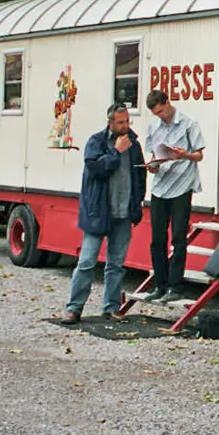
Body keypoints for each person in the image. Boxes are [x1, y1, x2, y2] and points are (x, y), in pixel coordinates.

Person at [60, 103, 146, 325]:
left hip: (123, 212)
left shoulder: (134, 145)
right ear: (110, 123)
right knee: (87, 262)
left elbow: (140, 176)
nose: (125, 126)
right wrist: (116, 152)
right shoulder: (96, 142)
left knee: (116, 264)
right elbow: (96, 170)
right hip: (99, 212)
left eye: (127, 121)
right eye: (120, 122)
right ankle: (74, 308)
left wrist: (137, 203)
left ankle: (111, 307)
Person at [139, 89, 205, 303]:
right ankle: (160, 284)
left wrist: (184, 154)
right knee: (157, 238)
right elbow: (154, 154)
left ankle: (176, 286)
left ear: (167, 102)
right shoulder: (153, 125)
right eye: (156, 113)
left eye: (161, 111)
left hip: (182, 185)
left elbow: (199, 155)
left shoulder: (188, 122)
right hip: (160, 186)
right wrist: (153, 166)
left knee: (178, 236)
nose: (160, 116)